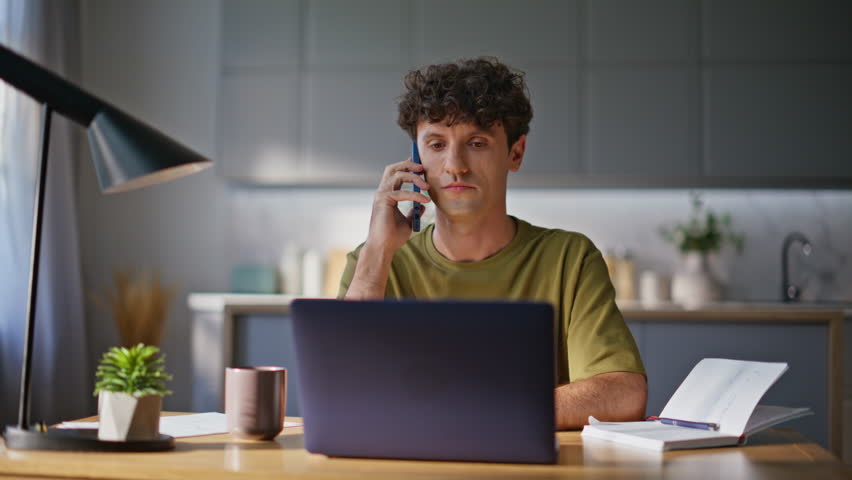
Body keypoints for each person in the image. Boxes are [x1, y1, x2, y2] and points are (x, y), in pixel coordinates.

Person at [338, 57, 646, 429]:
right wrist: (376, 251)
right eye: (436, 144)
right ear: (416, 159)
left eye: (477, 142)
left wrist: (475, 409)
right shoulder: (374, 262)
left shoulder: (570, 259)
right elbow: (339, 390)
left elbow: (623, 393)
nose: (455, 164)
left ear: (515, 153)